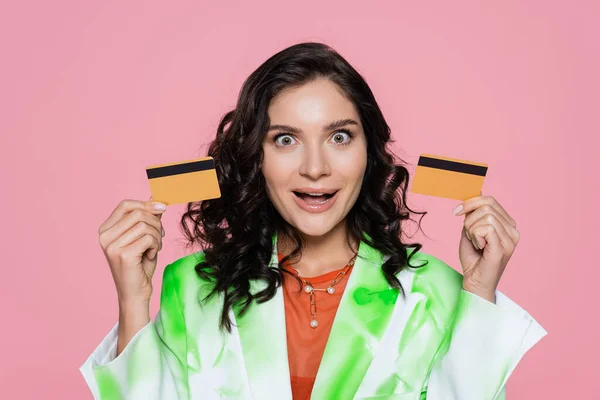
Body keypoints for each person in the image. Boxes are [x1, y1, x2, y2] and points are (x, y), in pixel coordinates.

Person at [79, 42, 546, 400]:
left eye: (340, 136)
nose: (316, 168)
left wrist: (480, 293)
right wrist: (133, 303)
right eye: (285, 140)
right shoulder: (195, 286)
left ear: (369, 152)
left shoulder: (438, 295)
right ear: (255, 156)